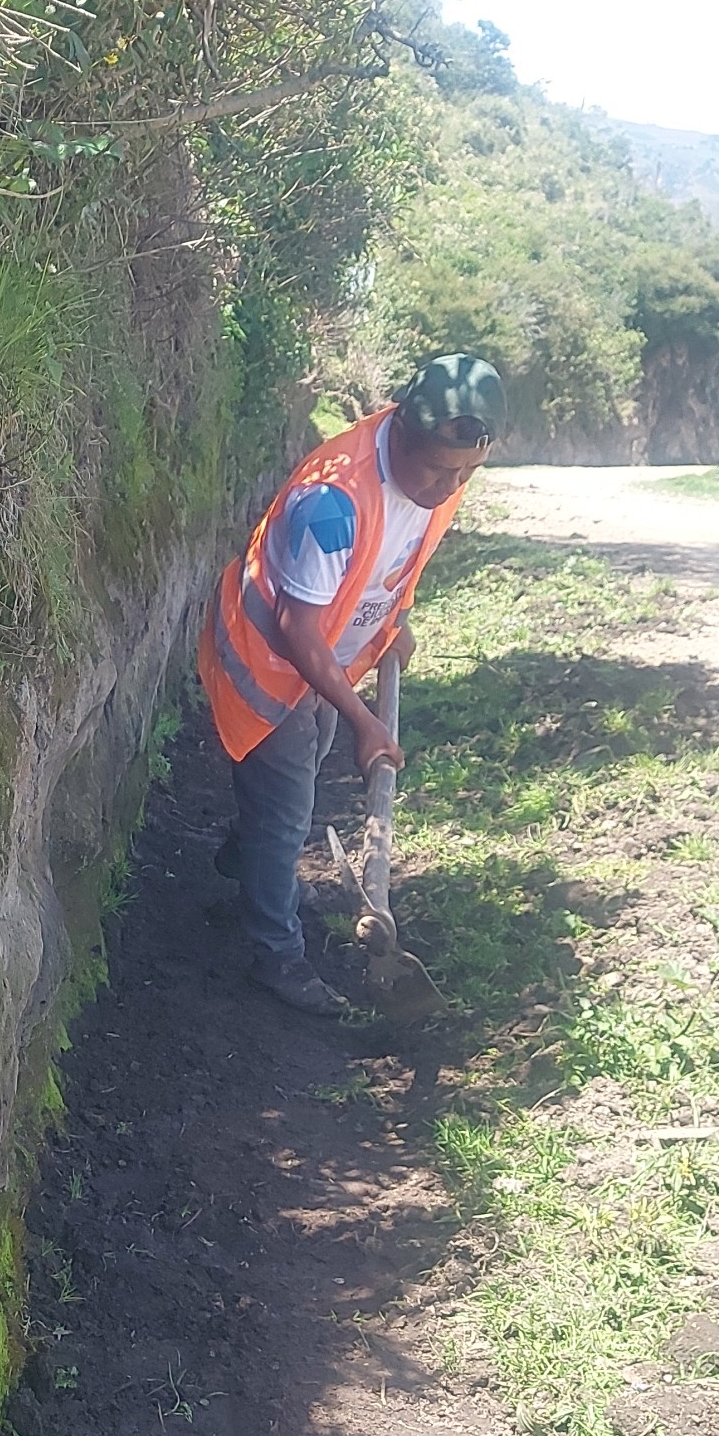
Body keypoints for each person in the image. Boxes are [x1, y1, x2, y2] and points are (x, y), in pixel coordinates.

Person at [196, 354, 507, 1012]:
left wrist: (398, 622)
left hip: (324, 663)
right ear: (402, 433)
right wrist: (366, 721)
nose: (449, 486)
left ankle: (248, 861)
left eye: (466, 473)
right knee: (287, 811)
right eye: (438, 470)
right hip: (270, 665)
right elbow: (297, 630)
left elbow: (397, 555)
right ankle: (277, 956)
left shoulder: (441, 470)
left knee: (290, 794)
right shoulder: (331, 502)